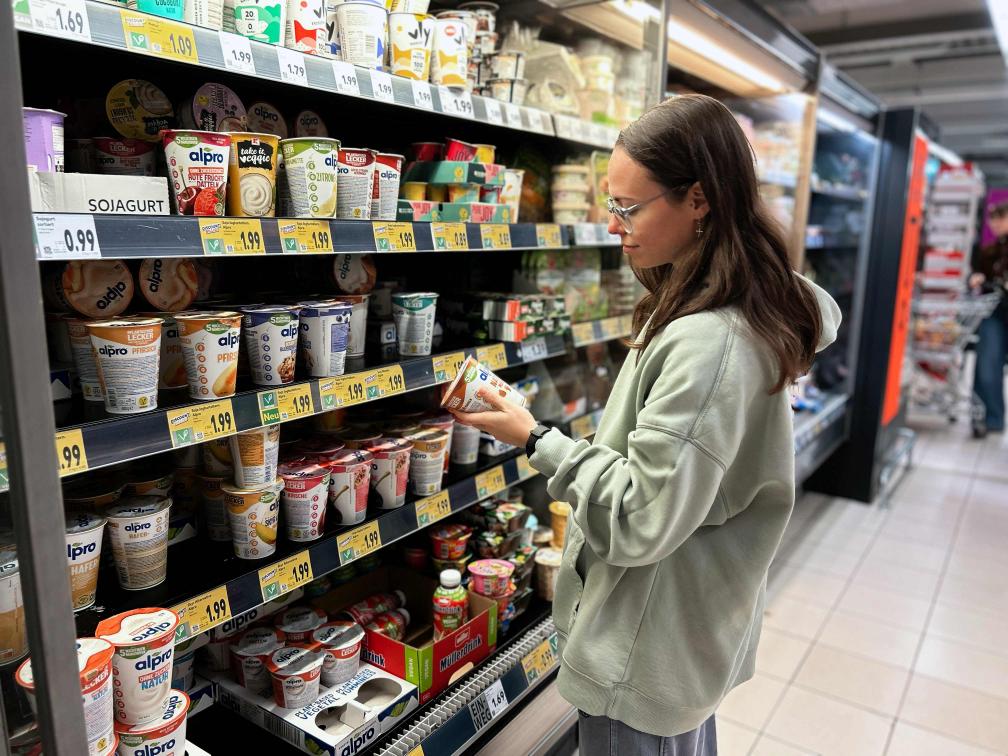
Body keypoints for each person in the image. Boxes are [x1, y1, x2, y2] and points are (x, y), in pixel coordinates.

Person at [450, 94, 841, 755]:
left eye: (629, 207)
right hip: (679, 629)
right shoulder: (718, 304)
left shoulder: (710, 343)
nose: (613, 224)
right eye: (611, 202)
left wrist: (537, 438)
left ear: (699, 200)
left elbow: (639, 518)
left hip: (647, 645)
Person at [970, 200, 1008, 435]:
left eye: (999, 218)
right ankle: (988, 415)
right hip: (993, 313)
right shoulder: (992, 250)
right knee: (987, 365)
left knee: (989, 364)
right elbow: (980, 273)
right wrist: (977, 278)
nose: (994, 224)